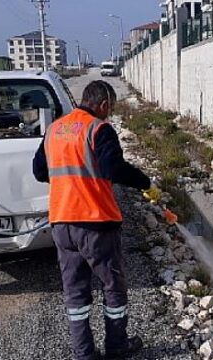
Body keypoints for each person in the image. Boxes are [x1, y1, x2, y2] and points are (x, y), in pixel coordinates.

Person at [32, 80, 162, 359]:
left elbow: (39, 172)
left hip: (62, 224)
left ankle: (84, 354)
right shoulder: (99, 129)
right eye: (110, 108)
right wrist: (145, 183)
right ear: (103, 105)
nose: (109, 113)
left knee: (76, 294)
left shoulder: (54, 129)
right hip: (95, 223)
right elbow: (113, 168)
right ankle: (116, 347)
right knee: (113, 288)